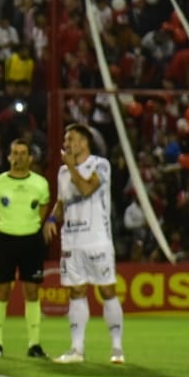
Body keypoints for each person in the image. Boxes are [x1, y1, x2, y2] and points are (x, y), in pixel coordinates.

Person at [45, 123, 124, 364]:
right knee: (76, 292)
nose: (66, 143)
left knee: (107, 291)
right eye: (66, 138)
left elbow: (87, 188)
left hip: (97, 239)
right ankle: (77, 350)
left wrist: (70, 166)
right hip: (72, 241)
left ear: (84, 142)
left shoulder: (100, 165)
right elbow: (62, 201)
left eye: (71, 139)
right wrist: (51, 218)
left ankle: (117, 348)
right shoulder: (62, 172)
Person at [0, 140, 53, 358]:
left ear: (31, 158)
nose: (19, 157)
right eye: (15, 153)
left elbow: (44, 207)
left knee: (32, 291)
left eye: (23, 153)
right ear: (9, 157)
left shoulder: (41, 184)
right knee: (2, 291)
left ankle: (34, 344)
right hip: (6, 240)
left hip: (31, 240)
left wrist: (30, 226)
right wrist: (7, 227)